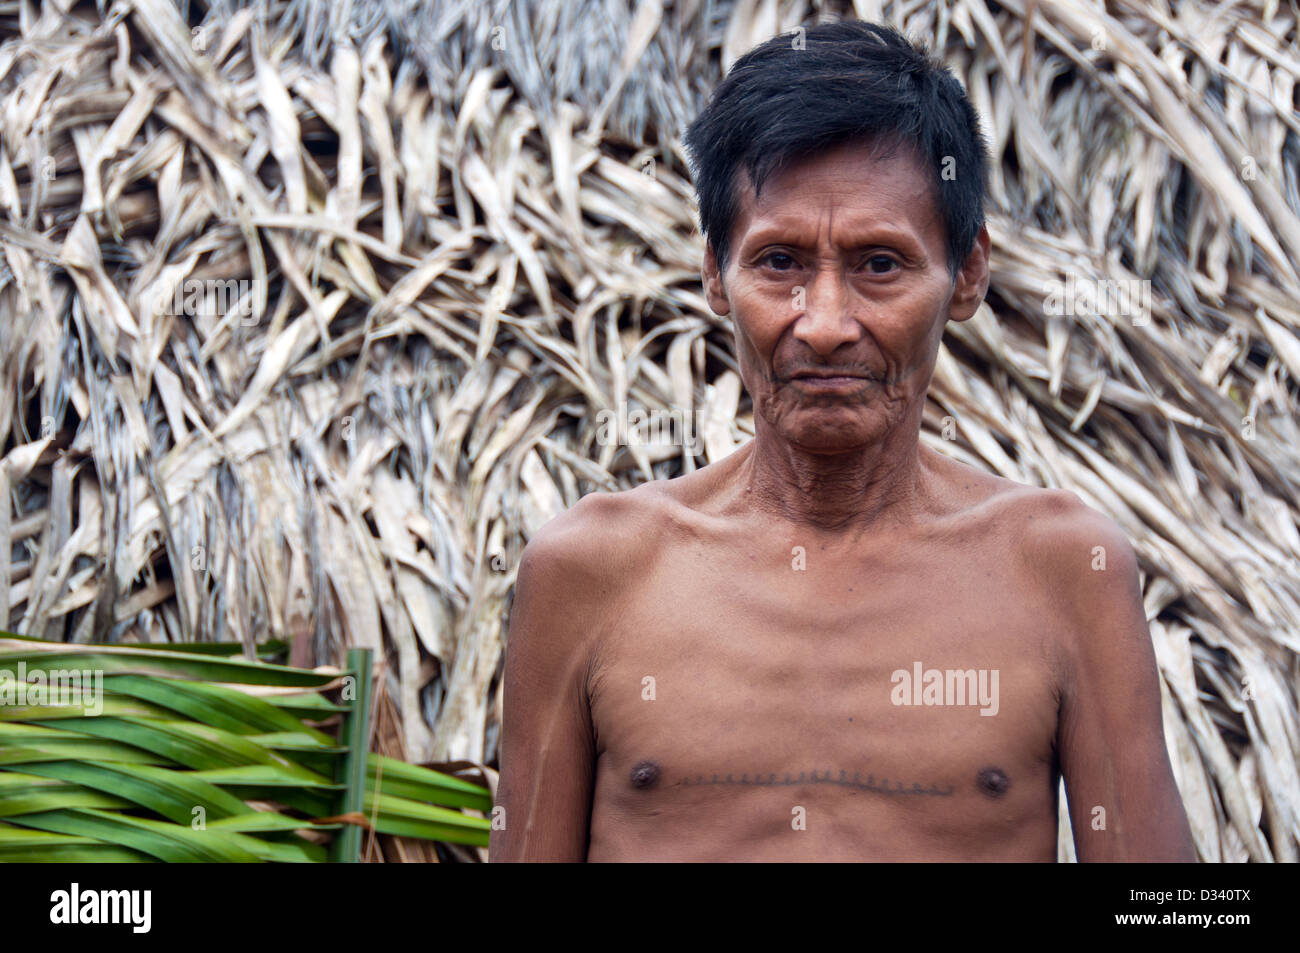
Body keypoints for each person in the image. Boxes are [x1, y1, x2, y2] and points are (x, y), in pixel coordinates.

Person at [490, 20, 1197, 862]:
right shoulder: (589, 572)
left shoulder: (1063, 570)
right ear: (715, 272)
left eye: (880, 264)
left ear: (968, 272)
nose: (824, 326)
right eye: (780, 261)